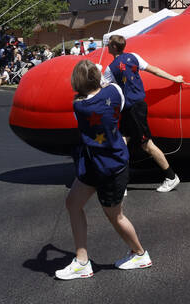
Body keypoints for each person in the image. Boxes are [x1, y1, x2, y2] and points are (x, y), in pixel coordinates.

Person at [55, 59, 152, 280]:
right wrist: (98, 74)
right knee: (73, 203)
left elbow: (86, 92)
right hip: (97, 162)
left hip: (109, 167)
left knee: (115, 216)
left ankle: (140, 254)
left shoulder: (79, 106)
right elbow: (109, 83)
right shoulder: (116, 92)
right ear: (97, 78)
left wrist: (92, 75)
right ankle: (82, 262)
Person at [101, 34, 185, 192]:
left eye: (108, 45)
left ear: (113, 47)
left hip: (133, 109)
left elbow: (102, 89)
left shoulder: (110, 69)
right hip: (134, 107)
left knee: (147, 145)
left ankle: (171, 177)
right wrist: (174, 78)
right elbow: (154, 70)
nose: (107, 47)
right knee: (122, 142)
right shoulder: (133, 57)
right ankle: (120, 182)